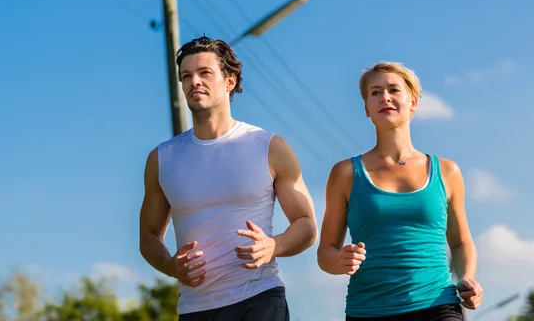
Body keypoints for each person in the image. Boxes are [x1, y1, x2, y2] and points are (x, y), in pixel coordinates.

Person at [140, 36, 318, 320]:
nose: (194, 82)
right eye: (186, 76)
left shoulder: (269, 146)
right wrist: (170, 266)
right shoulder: (162, 158)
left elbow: (307, 224)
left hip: (259, 298)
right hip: (195, 308)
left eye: (204, 73)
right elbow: (148, 236)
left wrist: (275, 245)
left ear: (230, 81)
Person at [317, 61, 483, 320]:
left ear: (413, 102)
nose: (385, 97)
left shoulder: (448, 171)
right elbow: (325, 251)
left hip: (438, 305)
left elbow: (461, 242)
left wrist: (467, 279)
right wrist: (340, 261)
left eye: (394, 90)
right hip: (368, 310)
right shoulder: (345, 173)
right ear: (366, 109)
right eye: (375, 92)